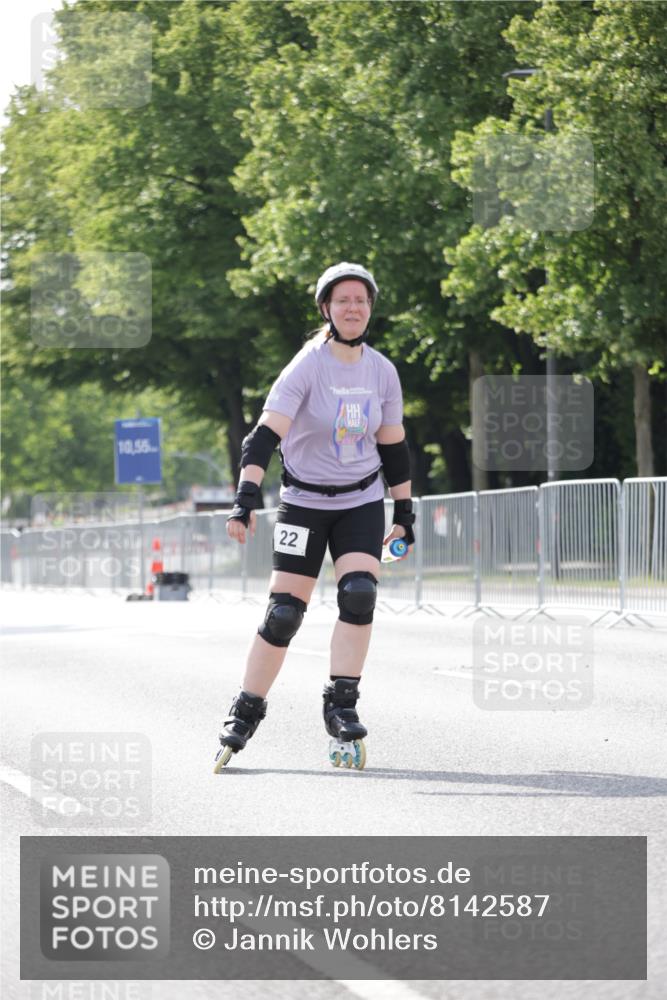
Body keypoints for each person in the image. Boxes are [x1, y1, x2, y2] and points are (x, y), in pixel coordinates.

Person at [214, 262, 415, 771]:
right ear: (326, 308)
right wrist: (246, 497)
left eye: (362, 301)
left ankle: (342, 706)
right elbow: (262, 437)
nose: (353, 308)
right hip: (303, 503)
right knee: (284, 613)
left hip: (361, 500)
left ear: (370, 309)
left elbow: (393, 447)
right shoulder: (306, 366)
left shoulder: (382, 371)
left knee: (360, 594)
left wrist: (405, 512)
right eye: (343, 300)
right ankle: (246, 708)